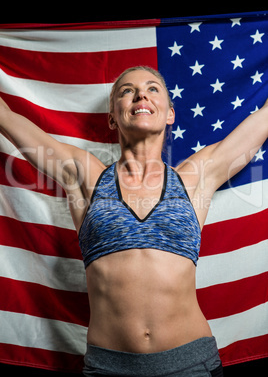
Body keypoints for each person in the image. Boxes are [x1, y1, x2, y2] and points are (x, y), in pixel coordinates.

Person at [0, 65, 267, 376]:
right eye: (127, 91)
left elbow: (263, 118)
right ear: (113, 116)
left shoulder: (196, 176)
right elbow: (6, 117)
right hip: (108, 368)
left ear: (170, 113)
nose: (141, 94)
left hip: (191, 365)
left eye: (153, 89)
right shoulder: (85, 175)